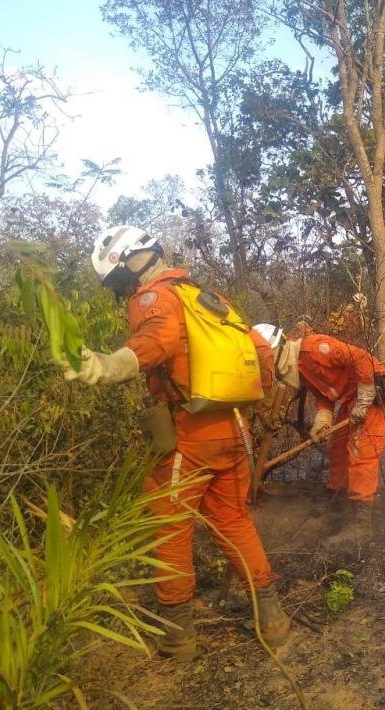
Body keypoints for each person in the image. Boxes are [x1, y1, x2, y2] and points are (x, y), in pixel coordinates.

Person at [62, 225, 290, 659]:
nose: (123, 290)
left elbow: (155, 342)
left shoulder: (155, 297)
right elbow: (260, 350)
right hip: (232, 430)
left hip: (189, 435)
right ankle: (273, 621)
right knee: (234, 520)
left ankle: (179, 637)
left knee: (166, 528)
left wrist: (105, 366)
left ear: (131, 261)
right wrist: (251, 401)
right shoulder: (207, 298)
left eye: (120, 281)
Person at [253, 323, 385, 545]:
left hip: (374, 391)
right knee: (338, 450)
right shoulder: (298, 366)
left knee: (361, 450)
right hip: (351, 398)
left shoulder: (313, 349)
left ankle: (360, 525)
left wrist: (366, 396)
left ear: (274, 350)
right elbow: (324, 393)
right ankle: (336, 506)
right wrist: (323, 418)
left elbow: (361, 358)